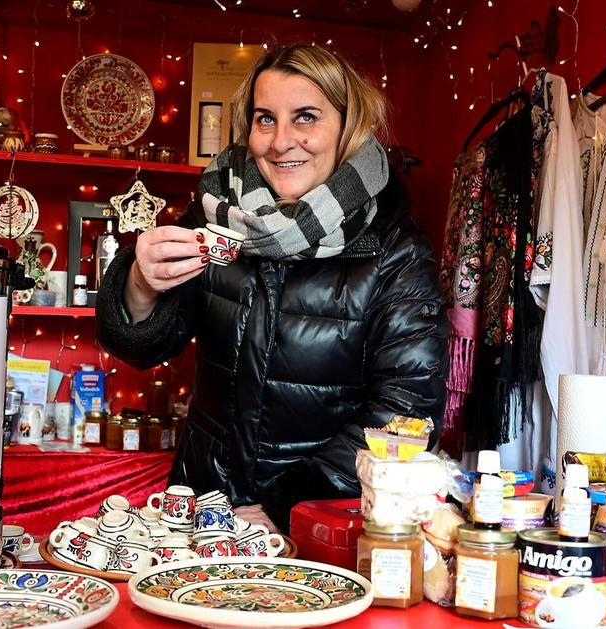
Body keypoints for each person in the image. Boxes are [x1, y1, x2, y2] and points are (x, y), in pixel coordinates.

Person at [97, 43, 447, 533]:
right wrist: (138, 281)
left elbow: (406, 413)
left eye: (305, 117)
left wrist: (288, 504)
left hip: (325, 522)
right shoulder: (215, 215)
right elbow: (146, 346)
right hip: (204, 509)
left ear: (348, 126)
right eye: (265, 119)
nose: (282, 141)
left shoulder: (394, 247)